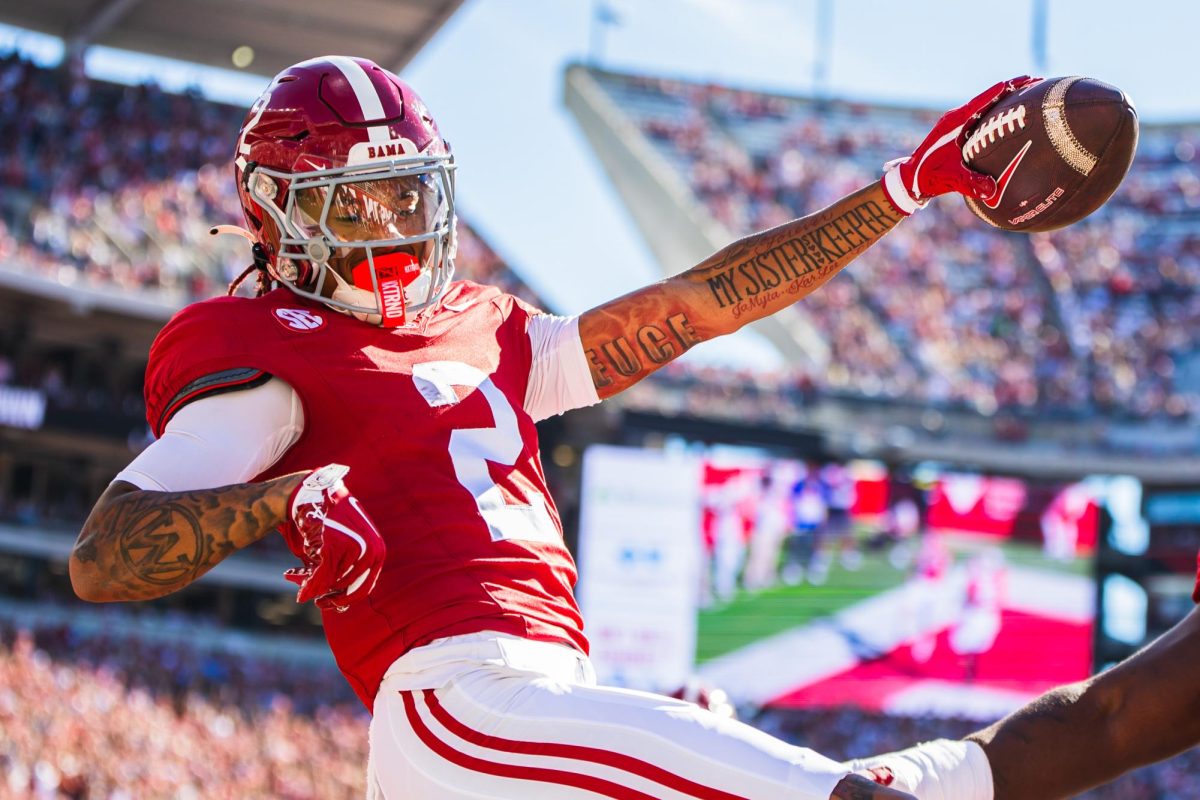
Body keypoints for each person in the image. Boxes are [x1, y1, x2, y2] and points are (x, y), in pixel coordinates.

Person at [69, 55, 1026, 799]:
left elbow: (704, 302)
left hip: (537, 709)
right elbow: (104, 556)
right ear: (274, 215)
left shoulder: (490, 327)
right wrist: (290, 494)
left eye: (407, 194)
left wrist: (902, 187)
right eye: (353, 204)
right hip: (460, 700)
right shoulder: (264, 345)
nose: (393, 224)